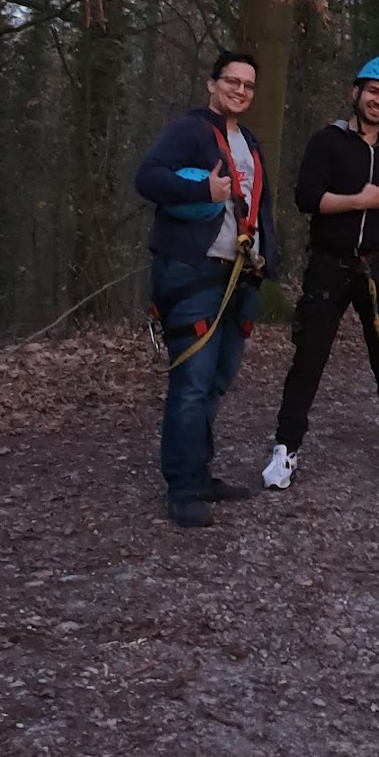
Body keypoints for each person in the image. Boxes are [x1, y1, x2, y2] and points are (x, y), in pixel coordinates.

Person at [262, 56, 379, 491]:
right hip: (329, 263)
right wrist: (359, 201)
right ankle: (286, 448)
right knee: (309, 357)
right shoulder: (327, 142)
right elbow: (306, 198)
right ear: (356, 92)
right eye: (373, 91)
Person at [135, 50, 277, 528]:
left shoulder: (249, 143)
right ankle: (182, 488)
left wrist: (268, 262)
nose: (240, 90)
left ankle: (199, 473)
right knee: (192, 382)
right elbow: (148, 178)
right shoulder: (190, 131)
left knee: (217, 379)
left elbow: (260, 206)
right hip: (193, 273)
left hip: (240, 274)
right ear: (212, 84)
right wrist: (201, 192)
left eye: (248, 85)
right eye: (232, 81)